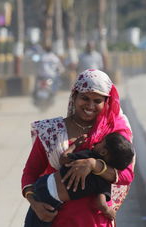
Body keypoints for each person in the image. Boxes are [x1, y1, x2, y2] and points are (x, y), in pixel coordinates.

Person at [21, 69, 134, 227]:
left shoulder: (113, 134)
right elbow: (30, 172)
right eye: (85, 98)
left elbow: (127, 175)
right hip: (56, 219)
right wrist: (35, 204)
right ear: (74, 96)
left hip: (96, 221)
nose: (90, 105)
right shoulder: (52, 131)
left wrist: (94, 165)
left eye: (97, 101)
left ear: (106, 102)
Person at [24, 132, 134, 226]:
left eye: (101, 142)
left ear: (103, 152)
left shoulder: (87, 154)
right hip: (50, 199)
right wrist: (109, 211)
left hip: (43, 183)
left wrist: (74, 145)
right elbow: (100, 203)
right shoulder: (105, 180)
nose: (97, 143)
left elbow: (63, 159)